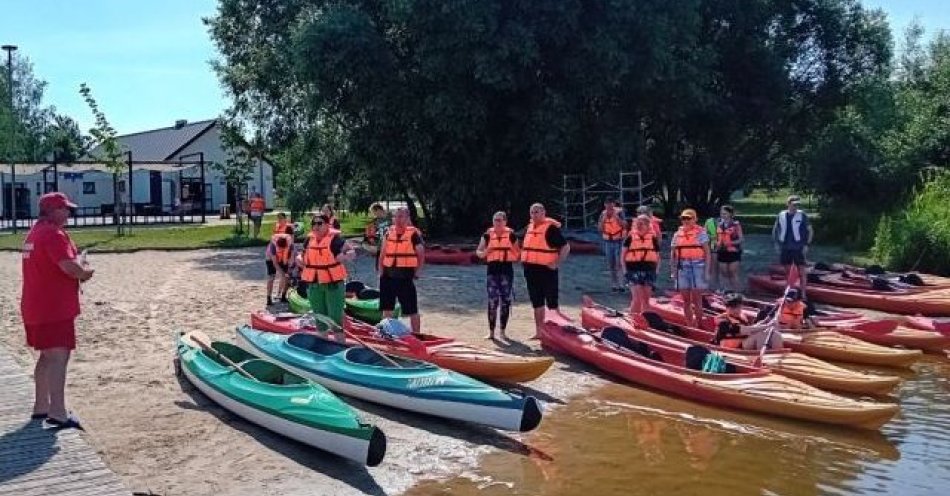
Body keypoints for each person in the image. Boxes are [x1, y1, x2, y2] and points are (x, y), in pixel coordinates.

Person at [21, 192, 94, 430]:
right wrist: (84, 272)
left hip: (36, 305)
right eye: (65, 209)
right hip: (53, 308)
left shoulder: (35, 232)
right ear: (53, 211)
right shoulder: (53, 234)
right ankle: (58, 412)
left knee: (47, 356)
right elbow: (69, 267)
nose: (69, 213)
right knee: (59, 357)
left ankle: (41, 405)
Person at [521, 203, 570, 339]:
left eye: (537, 212)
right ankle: (539, 332)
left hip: (547, 269)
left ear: (544, 213)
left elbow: (566, 247)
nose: (534, 215)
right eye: (532, 212)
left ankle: (556, 335)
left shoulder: (551, 229)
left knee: (551, 301)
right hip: (530, 269)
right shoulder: (529, 227)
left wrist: (556, 263)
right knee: (536, 302)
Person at [298, 215, 356, 326]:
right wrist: (299, 259)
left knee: (335, 321)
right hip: (314, 285)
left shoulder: (335, 240)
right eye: (313, 224)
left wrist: (345, 255)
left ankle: (339, 342)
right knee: (320, 321)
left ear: (327, 225)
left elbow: (352, 252)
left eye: (319, 223)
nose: (316, 226)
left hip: (333, 285)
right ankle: (323, 340)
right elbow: (302, 255)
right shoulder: (309, 240)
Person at [378, 207, 425, 334]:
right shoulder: (388, 233)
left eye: (401, 216)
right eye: (396, 217)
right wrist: (381, 271)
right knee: (387, 309)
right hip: (388, 276)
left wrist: (418, 271)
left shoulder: (413, 234)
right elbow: (382, 254)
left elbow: (421, 253)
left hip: (405, 277)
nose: (398, 220)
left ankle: (417, 335)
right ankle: (385, 334)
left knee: (412, 310)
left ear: (407, 218)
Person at [475, 211, 521, 341]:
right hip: (492, 272)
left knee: (505, 301)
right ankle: (491, 332)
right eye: (495, 220)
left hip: (506, 272)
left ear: (505, 222)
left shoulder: (511, 236)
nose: (497, 222)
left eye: (500, 220)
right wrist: (485, 252)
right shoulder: (487, 235)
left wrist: (511, 250)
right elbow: (478, 252)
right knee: (492, 302)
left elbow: (518, 254)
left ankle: (503, 332)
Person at [670, 208, 711, 328]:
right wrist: (673, 271)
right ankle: (690, 324)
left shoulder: (701, 233)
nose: (686, 221)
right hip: (682, 266)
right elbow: (672, 254)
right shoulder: (677, 234)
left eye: (689, 218)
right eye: (684, 218)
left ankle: (699, 324)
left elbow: (707, 253)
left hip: (698, 265)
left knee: (697, 299)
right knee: (686, 300)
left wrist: (707, 271)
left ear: (695, 219)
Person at [773, 195, 813, 298]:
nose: (795, 207)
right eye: (793, 204)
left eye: (797, 205)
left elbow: (810, 230)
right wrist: (776, 243)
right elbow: (775, 229)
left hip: (798, 247)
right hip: (785, 247)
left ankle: (803, 293)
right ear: (788, 204)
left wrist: (807, 245)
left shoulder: (802, 215)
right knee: (788, 271)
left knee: (801, 272)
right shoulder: (781, 215)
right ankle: (790, 290)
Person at [714, 293, 783, 350]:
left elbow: (751, 328)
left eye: (738, 307)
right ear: (726, 308)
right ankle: (762, 359)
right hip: (733, 348)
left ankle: (777, 356)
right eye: (732, 308)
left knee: (774, 333)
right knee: (761, 334)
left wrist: (765, 321)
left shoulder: (741, 316)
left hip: (744, 343)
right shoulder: (722, 321)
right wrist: (767, 325)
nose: (736, 310)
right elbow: (746, 330)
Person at [623, 214, 661, 316]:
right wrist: (625, 271)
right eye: (638, 223)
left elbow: (657, 256)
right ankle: (633, 319)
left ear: (648, 225)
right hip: (633, 270)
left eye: (642, 224)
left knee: (646, 300)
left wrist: (656, 271)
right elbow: (623, 255)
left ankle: (645, 320)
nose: (639, 225)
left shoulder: (652, 239)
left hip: (649, 270)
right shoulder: (630, 238)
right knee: (637, 299)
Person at [598, 198, 626, 292]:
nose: (609, 207)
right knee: (611, 263)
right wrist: (603, 219)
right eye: (607, 205)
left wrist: (616, 217)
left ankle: (621, 284)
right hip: (608, 241)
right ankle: (614, 284)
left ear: (613, 204)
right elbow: (600, 229)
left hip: (619, 240)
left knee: (619, 262)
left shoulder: (619, 212)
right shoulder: (603, 214)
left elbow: (625, 225)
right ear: (605, 205)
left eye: (611, 205)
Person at [714, 205, 744, 293]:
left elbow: (741, 239)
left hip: (733, 251)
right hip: (722, 251)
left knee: (732, 272)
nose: (723, 215)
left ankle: (738, 292)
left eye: (725, 213)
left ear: (730, 214)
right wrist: (716, 243)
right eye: (721, 213)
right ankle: (726, 290)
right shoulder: (719, 224)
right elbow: (716, 238)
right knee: (723, 272)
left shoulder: (736, 225)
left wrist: (731, 243)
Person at [265, 225, 296, 306]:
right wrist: (282, 273)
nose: (282, 250)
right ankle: (268, 298)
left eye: (283, 248)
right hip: (271, 260)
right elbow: (275, 263)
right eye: (280, 248)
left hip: (284, 259)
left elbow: (292, 259)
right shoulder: (273, 246)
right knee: (271, 277)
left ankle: (283, 296)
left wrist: (289, 270)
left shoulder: (290, 245)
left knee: (287, 278)